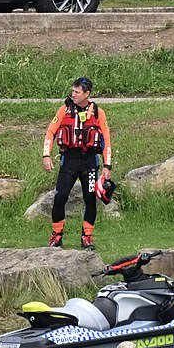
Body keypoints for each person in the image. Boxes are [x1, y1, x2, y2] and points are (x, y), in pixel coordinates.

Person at [43, 77, 112, 250]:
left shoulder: (98, 113)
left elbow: (106, 140)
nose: (73, 94)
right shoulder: (64, 110)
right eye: (72, 91)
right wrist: (46, 155)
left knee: (90, 199)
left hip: (89, 163)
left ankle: (87, 237)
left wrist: (107, 166)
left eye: (77, 92)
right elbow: (50, 132)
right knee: (60, 197)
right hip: (69, 162)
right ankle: (56, 236)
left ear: (87, 94)